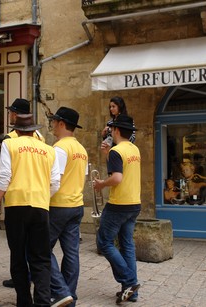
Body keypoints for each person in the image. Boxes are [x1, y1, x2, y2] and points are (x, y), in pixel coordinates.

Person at [0, 114, 60, 307]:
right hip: (40, 206)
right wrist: (42, 196)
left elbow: (4, 177)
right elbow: (55, 183)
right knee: (41, 257)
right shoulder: (49, 150)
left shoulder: (10, 144)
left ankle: (24, 302)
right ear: (33, 130)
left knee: (18, 256)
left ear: (17, 131)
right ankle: (43, 302)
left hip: (16, 206)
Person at [93, 114, 141, 304]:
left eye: (111, 129)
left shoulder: (117, 151)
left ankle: (129, 282)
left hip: (119, 204)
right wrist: (107, 155)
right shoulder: (134, 149)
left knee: (104, 242)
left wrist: (101, 184)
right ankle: (132, 291)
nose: (110, 132)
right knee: (127, 244)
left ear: (117, 131)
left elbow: (117, 178)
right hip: (134, 203)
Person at [2, 98, 45, 289]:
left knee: (17, 246)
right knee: (35, 246)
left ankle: (21, 279)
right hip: (39, 197)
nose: (10, 114)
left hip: (17, 196)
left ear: (17, 115)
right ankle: (35, 278)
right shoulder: (41, 138)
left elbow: (5, 173)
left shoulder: (10, 138)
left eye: (12, 112)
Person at [48, 107, 88, 307]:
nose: (53, 125)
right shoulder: (81, 149)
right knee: (71, 253)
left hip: (58, 205)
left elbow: (55, 180)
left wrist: (44, 199)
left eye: (55, 122)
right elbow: (83, 177)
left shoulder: (59, 148)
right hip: (76, 204)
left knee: (41, 249)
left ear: (61, 123)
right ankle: (69, 296)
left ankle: (61, 291)